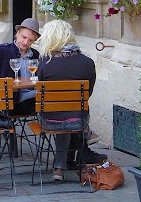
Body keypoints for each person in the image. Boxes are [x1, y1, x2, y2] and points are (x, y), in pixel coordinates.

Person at [37, 19, 106, 181]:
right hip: (78, 120)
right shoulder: (87, 63)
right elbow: (87, 94)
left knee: (61, 115)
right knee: (71, 114)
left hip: (49, 120)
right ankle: (76, 155)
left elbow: (39, 89)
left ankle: (60, 167)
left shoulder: (44, 63)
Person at [0, 17, 40, 115]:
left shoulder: (35, 55)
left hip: (33, 99)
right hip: (11, 100)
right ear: (17, 33)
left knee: (49, 95)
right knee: (45, 95)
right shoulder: (2, 51)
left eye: (30, 40)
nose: (26, 42)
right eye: (24, 37)